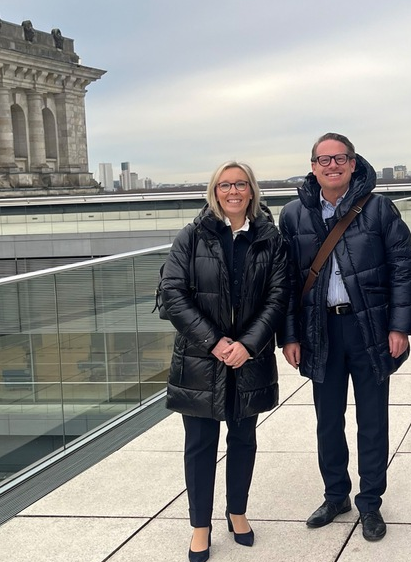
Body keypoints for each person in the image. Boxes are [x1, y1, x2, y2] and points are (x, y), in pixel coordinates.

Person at [279, 132, 411, 542]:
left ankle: (370, 502)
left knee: (372, 421)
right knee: (328, 421)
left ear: (353, 163)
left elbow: (403, 268)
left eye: (340, 158)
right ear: (313, 166)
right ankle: (336, 494)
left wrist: (400, 326)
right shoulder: (293, 215)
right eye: (323, 160)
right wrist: (289, 335)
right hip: (320, 330)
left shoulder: (378, 209)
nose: (332, 166)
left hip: (369, 327)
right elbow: (285, 282)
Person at [160, 161, 289, 562]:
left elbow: (278, 297)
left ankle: (237, 511)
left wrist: (247, 345)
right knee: (199, 445)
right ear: (214, 192)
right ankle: (201, 525)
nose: (233, 191)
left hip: (248, 359)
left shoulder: (271, 238)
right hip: (201, 359)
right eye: (225, 185)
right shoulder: (192, 235)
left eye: (241, 184)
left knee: (243, 438)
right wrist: (215, 343)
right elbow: (172, 295)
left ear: (252, 191)